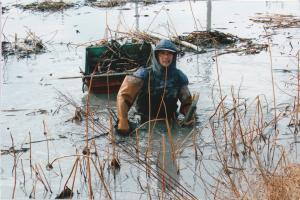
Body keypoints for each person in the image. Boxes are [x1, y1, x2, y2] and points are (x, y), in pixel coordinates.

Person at [116, 39, 193, 135]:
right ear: (156, 55)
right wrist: (123, 120)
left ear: (174, 56)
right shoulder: (143, 74)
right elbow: (123, 96)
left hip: (169, 119)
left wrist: (190, 117)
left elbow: (187, 102)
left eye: (169, 54)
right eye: (162, 53)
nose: (166, 57)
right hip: (142, 119)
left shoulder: (179, 77)